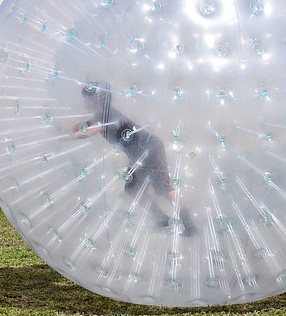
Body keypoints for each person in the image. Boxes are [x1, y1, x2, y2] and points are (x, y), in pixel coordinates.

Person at [72, 82, 197, 237]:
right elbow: (86, 127)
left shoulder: (106, 116)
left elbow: (86, 132)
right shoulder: (102, 116)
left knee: (164, 188)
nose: (85, 103)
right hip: (139, 155)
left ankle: (189, 224)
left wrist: (63, 136)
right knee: (132, 189)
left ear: (98, 99)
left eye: (87, 99)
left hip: (150, 149)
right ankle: (162, 220)